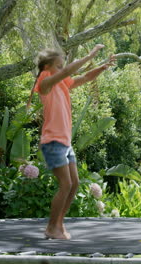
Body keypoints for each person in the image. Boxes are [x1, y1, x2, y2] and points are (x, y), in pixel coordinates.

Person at [30, 44, 115, 239]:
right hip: (53, 141)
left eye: (62, 66)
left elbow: (83, 78)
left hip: (65, 143)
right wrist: (90, 55)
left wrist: (101, 67)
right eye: (58, 66)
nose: (62, 69)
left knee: (74, 184)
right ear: (47, 67)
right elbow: (69, 71)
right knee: (66, 184)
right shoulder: (45, 83)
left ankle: (58, 225)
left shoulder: (62, 83)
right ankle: (52, 227)